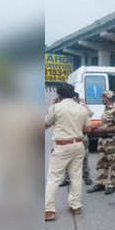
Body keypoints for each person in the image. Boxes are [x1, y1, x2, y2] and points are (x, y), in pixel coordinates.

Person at [44, 84, 92, 221]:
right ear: (72, 95)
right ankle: (76, 206)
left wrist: (51, 110)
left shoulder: (56, 107)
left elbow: (45, 124)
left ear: (59, 95)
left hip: (62, 146)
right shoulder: (82, 109)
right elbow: (88, 128)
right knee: (76, 176)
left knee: (54, 178)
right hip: (78, 145)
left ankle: (49, 211)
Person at [87, 90, 115, 195]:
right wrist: (97, 127)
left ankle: (111, 185)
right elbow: (105, 124)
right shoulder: (106, 109)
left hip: (111, 140)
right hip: (102, 140)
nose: (102, 99)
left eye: (103, 97)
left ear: (109, 98)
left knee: (112, 164)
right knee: (101, 163)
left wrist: (102, 130)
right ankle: (101, 184)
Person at [60, 92, 94, 187]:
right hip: (69, 136)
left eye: (73, 98)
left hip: (81, 136)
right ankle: (67, 179)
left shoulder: (82, 108)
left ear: (76, 98)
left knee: (84, 158)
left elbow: (91, 114)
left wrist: (84, 104)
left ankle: (86, 177)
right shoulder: (66, 108)